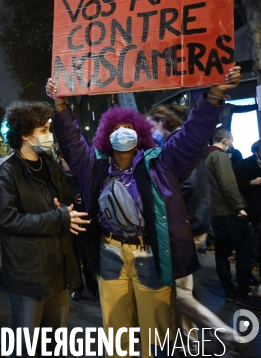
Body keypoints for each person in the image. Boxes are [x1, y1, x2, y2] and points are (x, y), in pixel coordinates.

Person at [47, 66, 241, 356]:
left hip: (150, 256)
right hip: (110, 253)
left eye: (128, 128)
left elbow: (191, 135)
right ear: (105, 136)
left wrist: (213, 96)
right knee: (116, 335)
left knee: (158, 336)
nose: (122, 133)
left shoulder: (163, 163)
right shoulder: (95, 167)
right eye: (115, 129)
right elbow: (72, 143)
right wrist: (60, 105)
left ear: (140, 134)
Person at [0, 101, 87, 356]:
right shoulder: (8, 172)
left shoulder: (50, 165)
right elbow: (7, 220)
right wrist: (57, 218)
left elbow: (62, 203)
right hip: (29, 271)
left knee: (56, 342)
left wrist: (68, 208)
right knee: (27, 345)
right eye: (43, 129)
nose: (49, 134)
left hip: (58, 267)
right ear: (25, 134)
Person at [146, 106, 236, 345]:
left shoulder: (176, 146)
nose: (146, 130)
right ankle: (189, 337)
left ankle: (223, 333)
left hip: (185, 227)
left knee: (177, 293)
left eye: (149, 124)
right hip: (191, 224)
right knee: (179, 287)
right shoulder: (175, 144)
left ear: (161, 122)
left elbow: (185, 184)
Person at [206, 128, 259, 309]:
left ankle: (229, 292)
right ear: (226, 140)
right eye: (232, 140)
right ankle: (243, 293)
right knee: (245, 252)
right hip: (229, 212)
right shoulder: (219, 157)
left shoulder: (203, 157)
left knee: (222, 253)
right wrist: (240, 207)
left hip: (215, 212)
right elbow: (228, 184)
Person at [235, 139, 261, 275]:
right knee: (248, 249)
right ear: (255, 152)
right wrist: (250, 183)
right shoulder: (244, 165)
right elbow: (236, 187)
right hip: (251, 212)